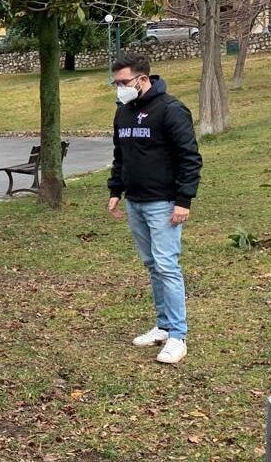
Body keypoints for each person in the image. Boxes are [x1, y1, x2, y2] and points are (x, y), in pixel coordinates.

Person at [107, 53, 202, 365]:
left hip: (163, 203)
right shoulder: (123, 112)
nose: (119, 88)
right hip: (135, 201)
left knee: (167, 266)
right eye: (116, 83)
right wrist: (116, 190)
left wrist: (183, 200)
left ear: (143, 79)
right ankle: (163, 326)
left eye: (124, 82)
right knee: (152, 265)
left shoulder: (171, 110)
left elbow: (190, 158)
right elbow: (120, 155)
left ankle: (178, 336)